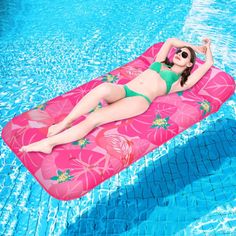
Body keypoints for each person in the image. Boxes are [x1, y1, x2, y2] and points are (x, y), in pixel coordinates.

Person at [19, 37, 214, 154]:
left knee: (95, 118)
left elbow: (207, 65)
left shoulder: (180, 82)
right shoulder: (161, 61)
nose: (179, 53)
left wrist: (206, 49)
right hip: (125, 89)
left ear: (189, 64)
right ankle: (65, 123)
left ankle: (48, 144)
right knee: (103, 88)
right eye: (180, 52)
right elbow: (171, 41)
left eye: (185, 55)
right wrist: (195, 47)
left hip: (138, 101)